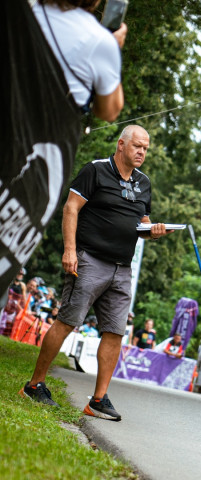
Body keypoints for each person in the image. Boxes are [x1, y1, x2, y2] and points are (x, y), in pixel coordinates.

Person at [19, 125, 170, 420]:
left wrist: (154, 231)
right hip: (89, 260)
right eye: (137, 146)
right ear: (121, 145)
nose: (141, 152)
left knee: (114, 332)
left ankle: (98, 400)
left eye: (145, 148)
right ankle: (34, 384)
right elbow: (70, 209)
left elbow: (142, 223)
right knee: (67, 321)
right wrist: (70, 250)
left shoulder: (143, 183)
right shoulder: (96, 171)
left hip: (122, 268)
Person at [32, 0, 126, 121]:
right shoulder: (100, 40)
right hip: (45, 134)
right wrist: (115, 50)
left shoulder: (22, 12)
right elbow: (109, 112)